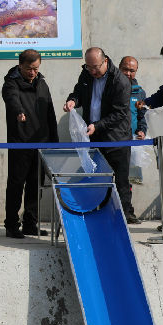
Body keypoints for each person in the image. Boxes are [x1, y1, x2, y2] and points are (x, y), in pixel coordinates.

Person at [63, 47, 136, 223]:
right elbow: (78, 92)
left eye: (95, 67)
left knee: (120, 180)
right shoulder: (87, 74)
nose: (92, 71)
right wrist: (73, 100)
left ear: (105, 61)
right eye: (88, 67)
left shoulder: (120, 81)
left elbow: (119, 113)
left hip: (116, 139)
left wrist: (98, 126)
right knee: (97, 179)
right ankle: (100, 214)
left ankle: (124, 216)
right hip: (94, 136)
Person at [1, 49, 58, 239]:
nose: (32, 72)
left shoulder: (42, 83)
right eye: (28, 69)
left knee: (35, 185)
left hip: (41, 143)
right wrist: (18, 111)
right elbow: (11, 99)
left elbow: (50, 112)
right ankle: (11, 225)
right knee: (16, 184)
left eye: (36, 68)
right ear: (20, 66)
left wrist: (54, 142)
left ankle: (30, 224)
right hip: (20, 142)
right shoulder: (11, 83)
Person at [119, 56, 147, 185]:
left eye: (132, 71)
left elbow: (142, 116)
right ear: (119, 68)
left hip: (131, 141)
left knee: (129, 181)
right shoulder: (110, 88)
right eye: (125, 69)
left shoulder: (139, 93)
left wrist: (142, 131)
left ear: (136, 71)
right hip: (113, 142)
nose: (128, 73)